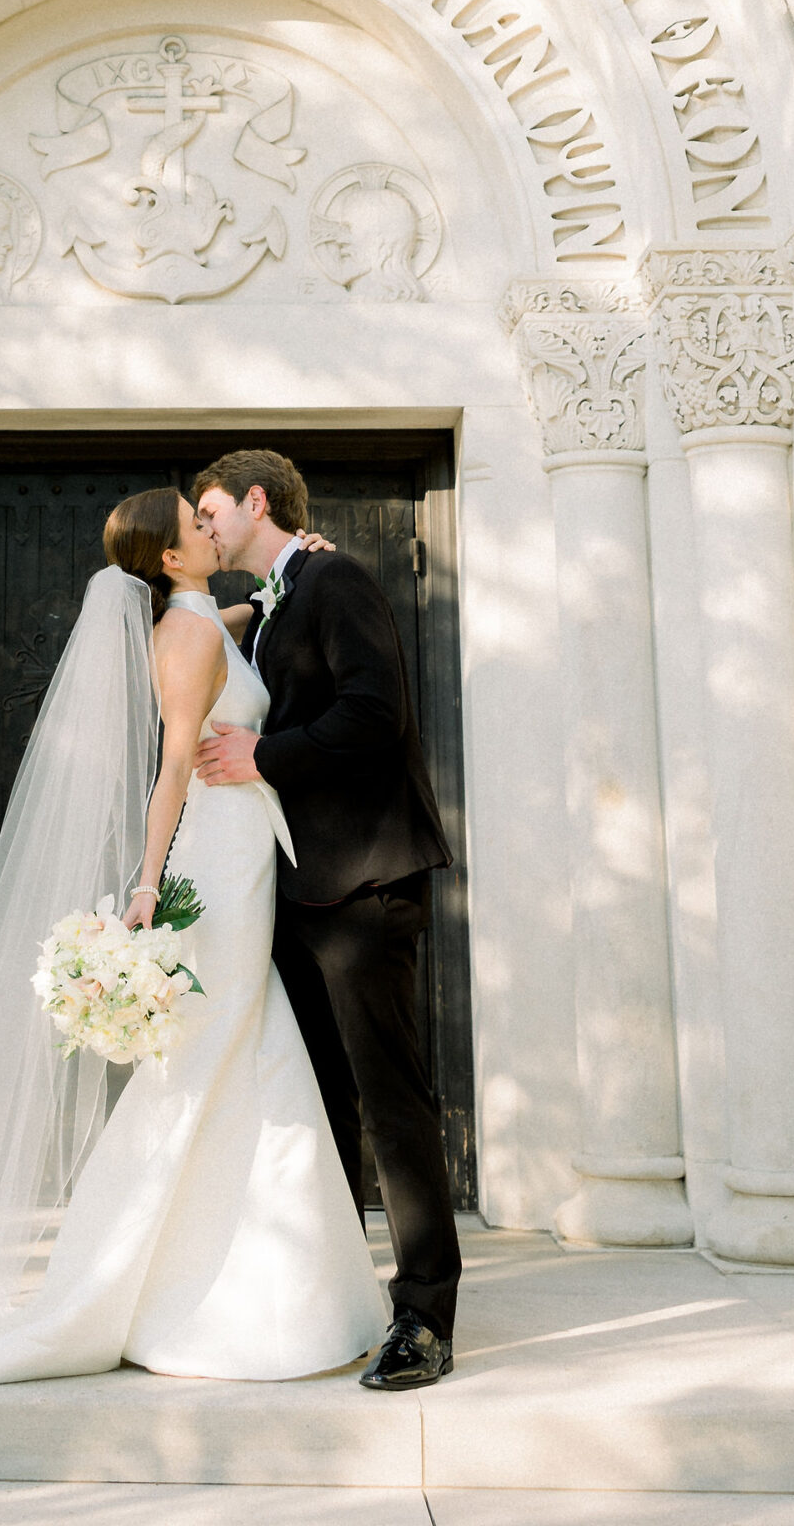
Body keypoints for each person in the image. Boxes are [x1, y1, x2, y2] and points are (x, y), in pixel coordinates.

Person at [0, 489, 385, 1384]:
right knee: (217, 1060)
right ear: (169, 557)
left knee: (239, 1054)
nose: (210, 527)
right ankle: (160, 1287)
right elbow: (171, 768)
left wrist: (289, 579)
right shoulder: (192, 636)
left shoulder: (196, 619)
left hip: (242, 849)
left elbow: (244, 612)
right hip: (222, 859)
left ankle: (242, 1281)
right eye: (195, 523)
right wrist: (146, 883)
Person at [194, 448, 461, 1391]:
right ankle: (346, 1296)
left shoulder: (336, 576)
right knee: (326, 1107)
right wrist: (228, 607)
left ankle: (424, 1319)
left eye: (212, 511)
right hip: (298, 894)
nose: (204, 527)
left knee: (392, 1106)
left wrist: (263, 754)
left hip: (364, 884)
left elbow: (373, 713)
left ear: (255, 499)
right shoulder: (276, 595)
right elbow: (188, 619)